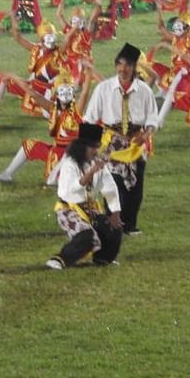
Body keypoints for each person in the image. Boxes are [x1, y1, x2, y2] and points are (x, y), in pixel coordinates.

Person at [82, 43, 158, 235]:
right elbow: (90, 118)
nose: (123, 69)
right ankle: (113, 224)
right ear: (116, 65)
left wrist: (145, 135)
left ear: (134, 68)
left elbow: (152, 118)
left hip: (134, 143)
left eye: (128, 65)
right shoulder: (104, 88)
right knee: (113, 186)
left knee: (136, 188)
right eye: (120, 64)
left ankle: (130, 225)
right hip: (111, 142)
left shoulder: (144, 90)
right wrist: (88, 148)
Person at [45, 122, 124, 269]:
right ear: (82, 147)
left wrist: (115, 213)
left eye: (97, 147)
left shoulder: (97, 163)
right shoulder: (70, 164)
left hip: (91, 209)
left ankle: (103, 259)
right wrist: (91, 172)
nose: (95, 151)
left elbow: (110, 188)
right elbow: (72, 189)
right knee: (87, 236)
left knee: (113, 228)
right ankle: (60, 260)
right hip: (69, 210)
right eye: (92, 147)